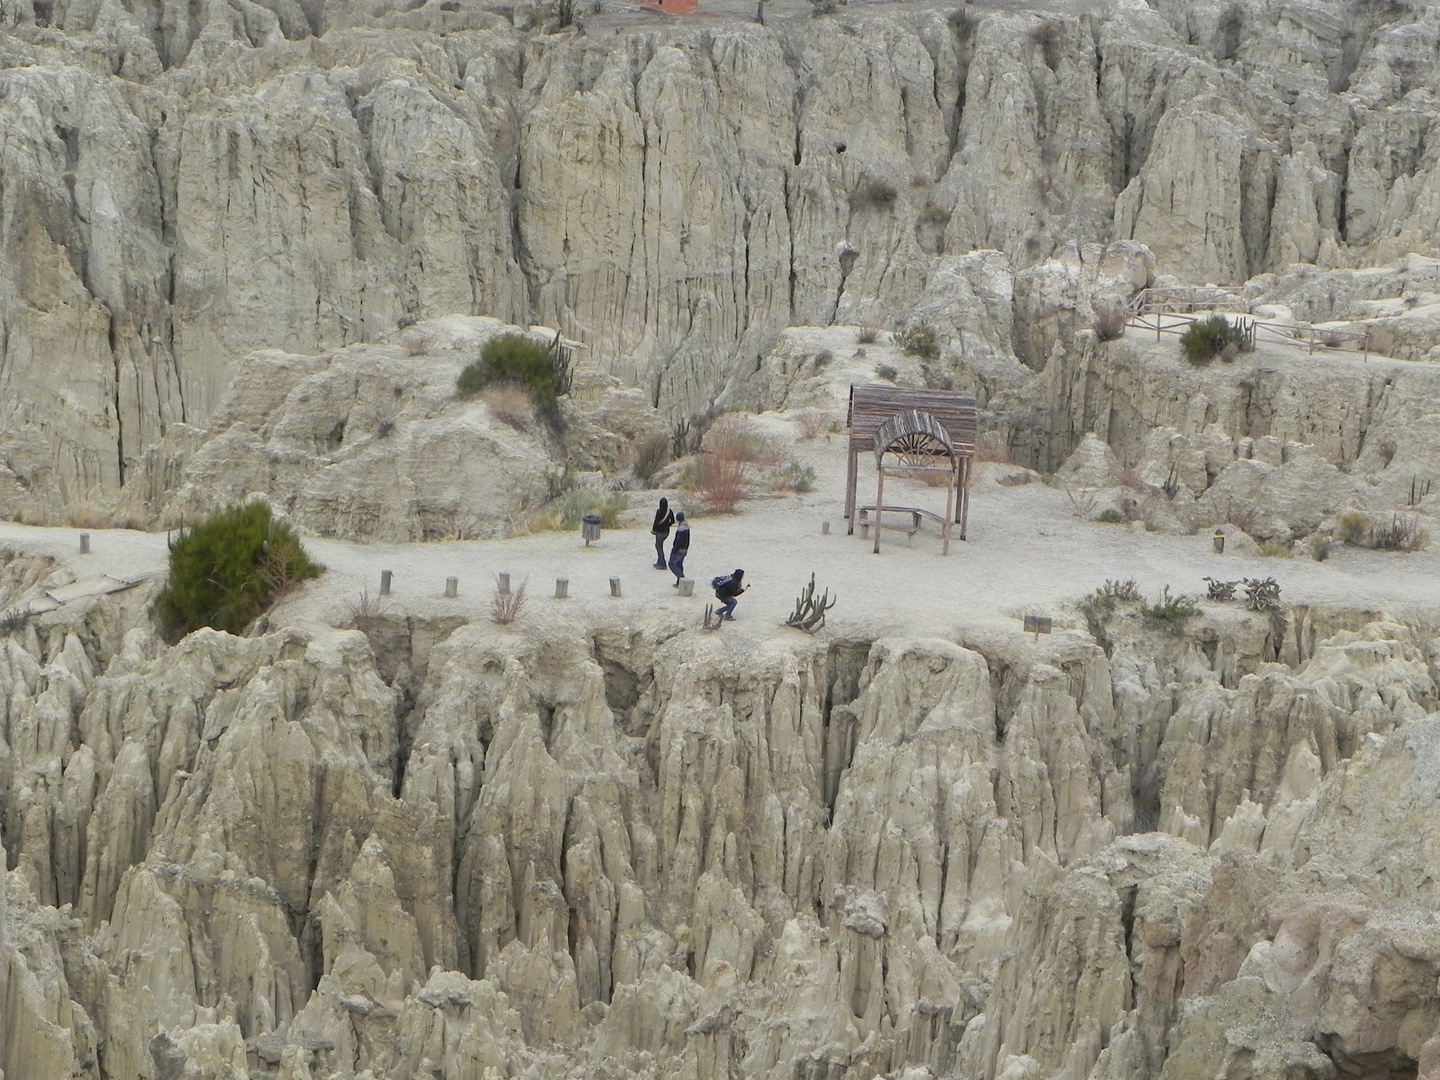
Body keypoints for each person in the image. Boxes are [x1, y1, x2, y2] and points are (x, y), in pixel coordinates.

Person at [650, 497, 675, 569]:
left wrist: (653, 530)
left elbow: (656, 522)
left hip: (659, 533)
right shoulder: (669, 511)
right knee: (659, 546)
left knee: (658, 546)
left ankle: (662, 563)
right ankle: (659, 561)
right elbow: (672, 521)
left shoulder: (659, 511)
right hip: (666, 532)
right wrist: (667, 525)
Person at [667, 513, 690, 586]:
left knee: (671, 564)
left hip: (679, 549)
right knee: (679, 564)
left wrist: (674, 549)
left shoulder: (681, 528)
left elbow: (678, 541)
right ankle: (679, 583)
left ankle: (681, 578)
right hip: (684, 549)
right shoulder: (686, 526)